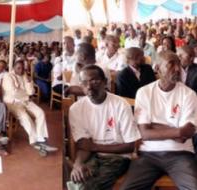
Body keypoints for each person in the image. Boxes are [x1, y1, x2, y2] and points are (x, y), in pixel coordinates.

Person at [120, 51, 197, 190]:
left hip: (180, 154)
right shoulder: (144, 92)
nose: (177, 69)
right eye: (170, 64)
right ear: (157, 68)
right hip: (148, 155)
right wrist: (177, 130)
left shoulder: (189, 94)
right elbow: (144, 134)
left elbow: (182, 138)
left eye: (178, 64)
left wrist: (152, 126)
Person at [67, 65, 141, 190]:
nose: (89, 87)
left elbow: (130, 146)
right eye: (84, 83)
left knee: (91, 186)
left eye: (94, 81)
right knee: (78, 180)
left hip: (118, 157)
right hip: (92, 156)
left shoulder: (120, 105)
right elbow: (84, 145)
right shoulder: (76, 109)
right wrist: (78, 164)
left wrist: (95, 147)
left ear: (105, 82)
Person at [2, 60, 57, 152]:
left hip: (26, 100)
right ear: (13, 68)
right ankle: (35, 141)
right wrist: (22, 90)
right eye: (18, 68)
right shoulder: (8, 76)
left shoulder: (25, 76)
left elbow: (31, 92)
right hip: (13, 102)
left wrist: (28, 82)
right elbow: (13, 92)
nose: (20, 70)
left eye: (22, 68)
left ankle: (41, 138)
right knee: (25, 117)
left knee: (40, 113)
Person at [177, 45, 197, 153]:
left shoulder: (195, 69)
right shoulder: (174, 69)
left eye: (182, 56)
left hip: (193, 104)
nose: (179, 58)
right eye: (179, 55)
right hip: (176, 102)